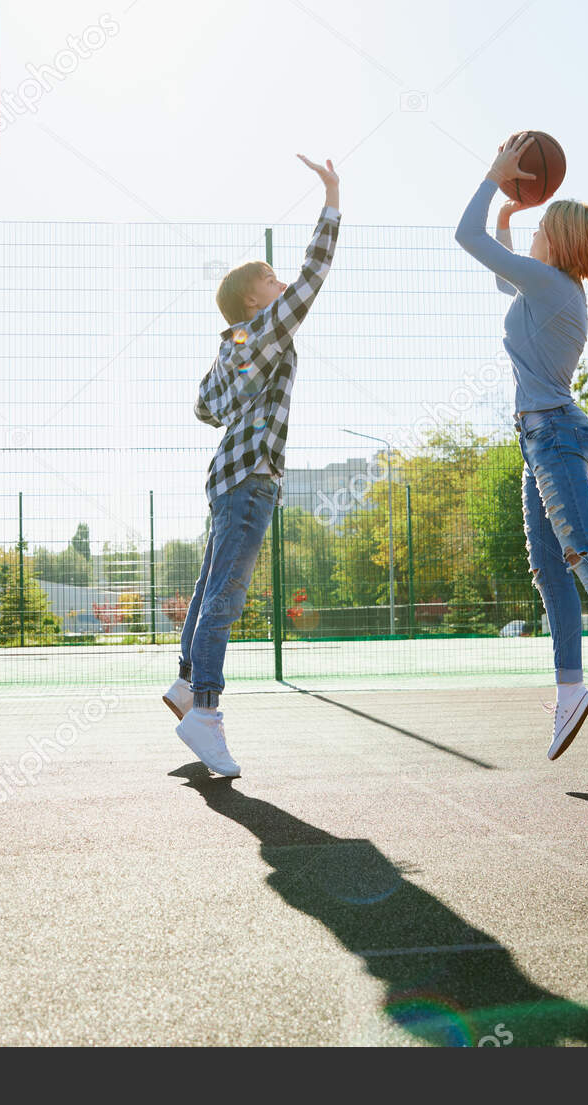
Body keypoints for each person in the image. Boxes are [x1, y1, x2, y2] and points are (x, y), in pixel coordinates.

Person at [454, 133, 588, 758]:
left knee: (582, 554)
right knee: (550, 567)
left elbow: (466, 238)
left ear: (560, 242)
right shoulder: (550, 290)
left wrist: (493, 179)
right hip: (540, 435)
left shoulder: (549, 287)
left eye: (541, 224)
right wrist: (509, 217)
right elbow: (498, 276)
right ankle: (571, 690)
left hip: (554, 434)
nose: (534, 230)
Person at [164, 155, 341, 777]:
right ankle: (205, 714)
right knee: (226, 597)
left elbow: (202, 408)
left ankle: (188, 684)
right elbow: (314, 275)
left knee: (211, 589)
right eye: (270, 277)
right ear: (251, 298)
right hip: (251, 480)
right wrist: (332, 197)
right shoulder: (264, 330)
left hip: (224, 479)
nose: (280, 281)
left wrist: (234, 390)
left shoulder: (231, 347)